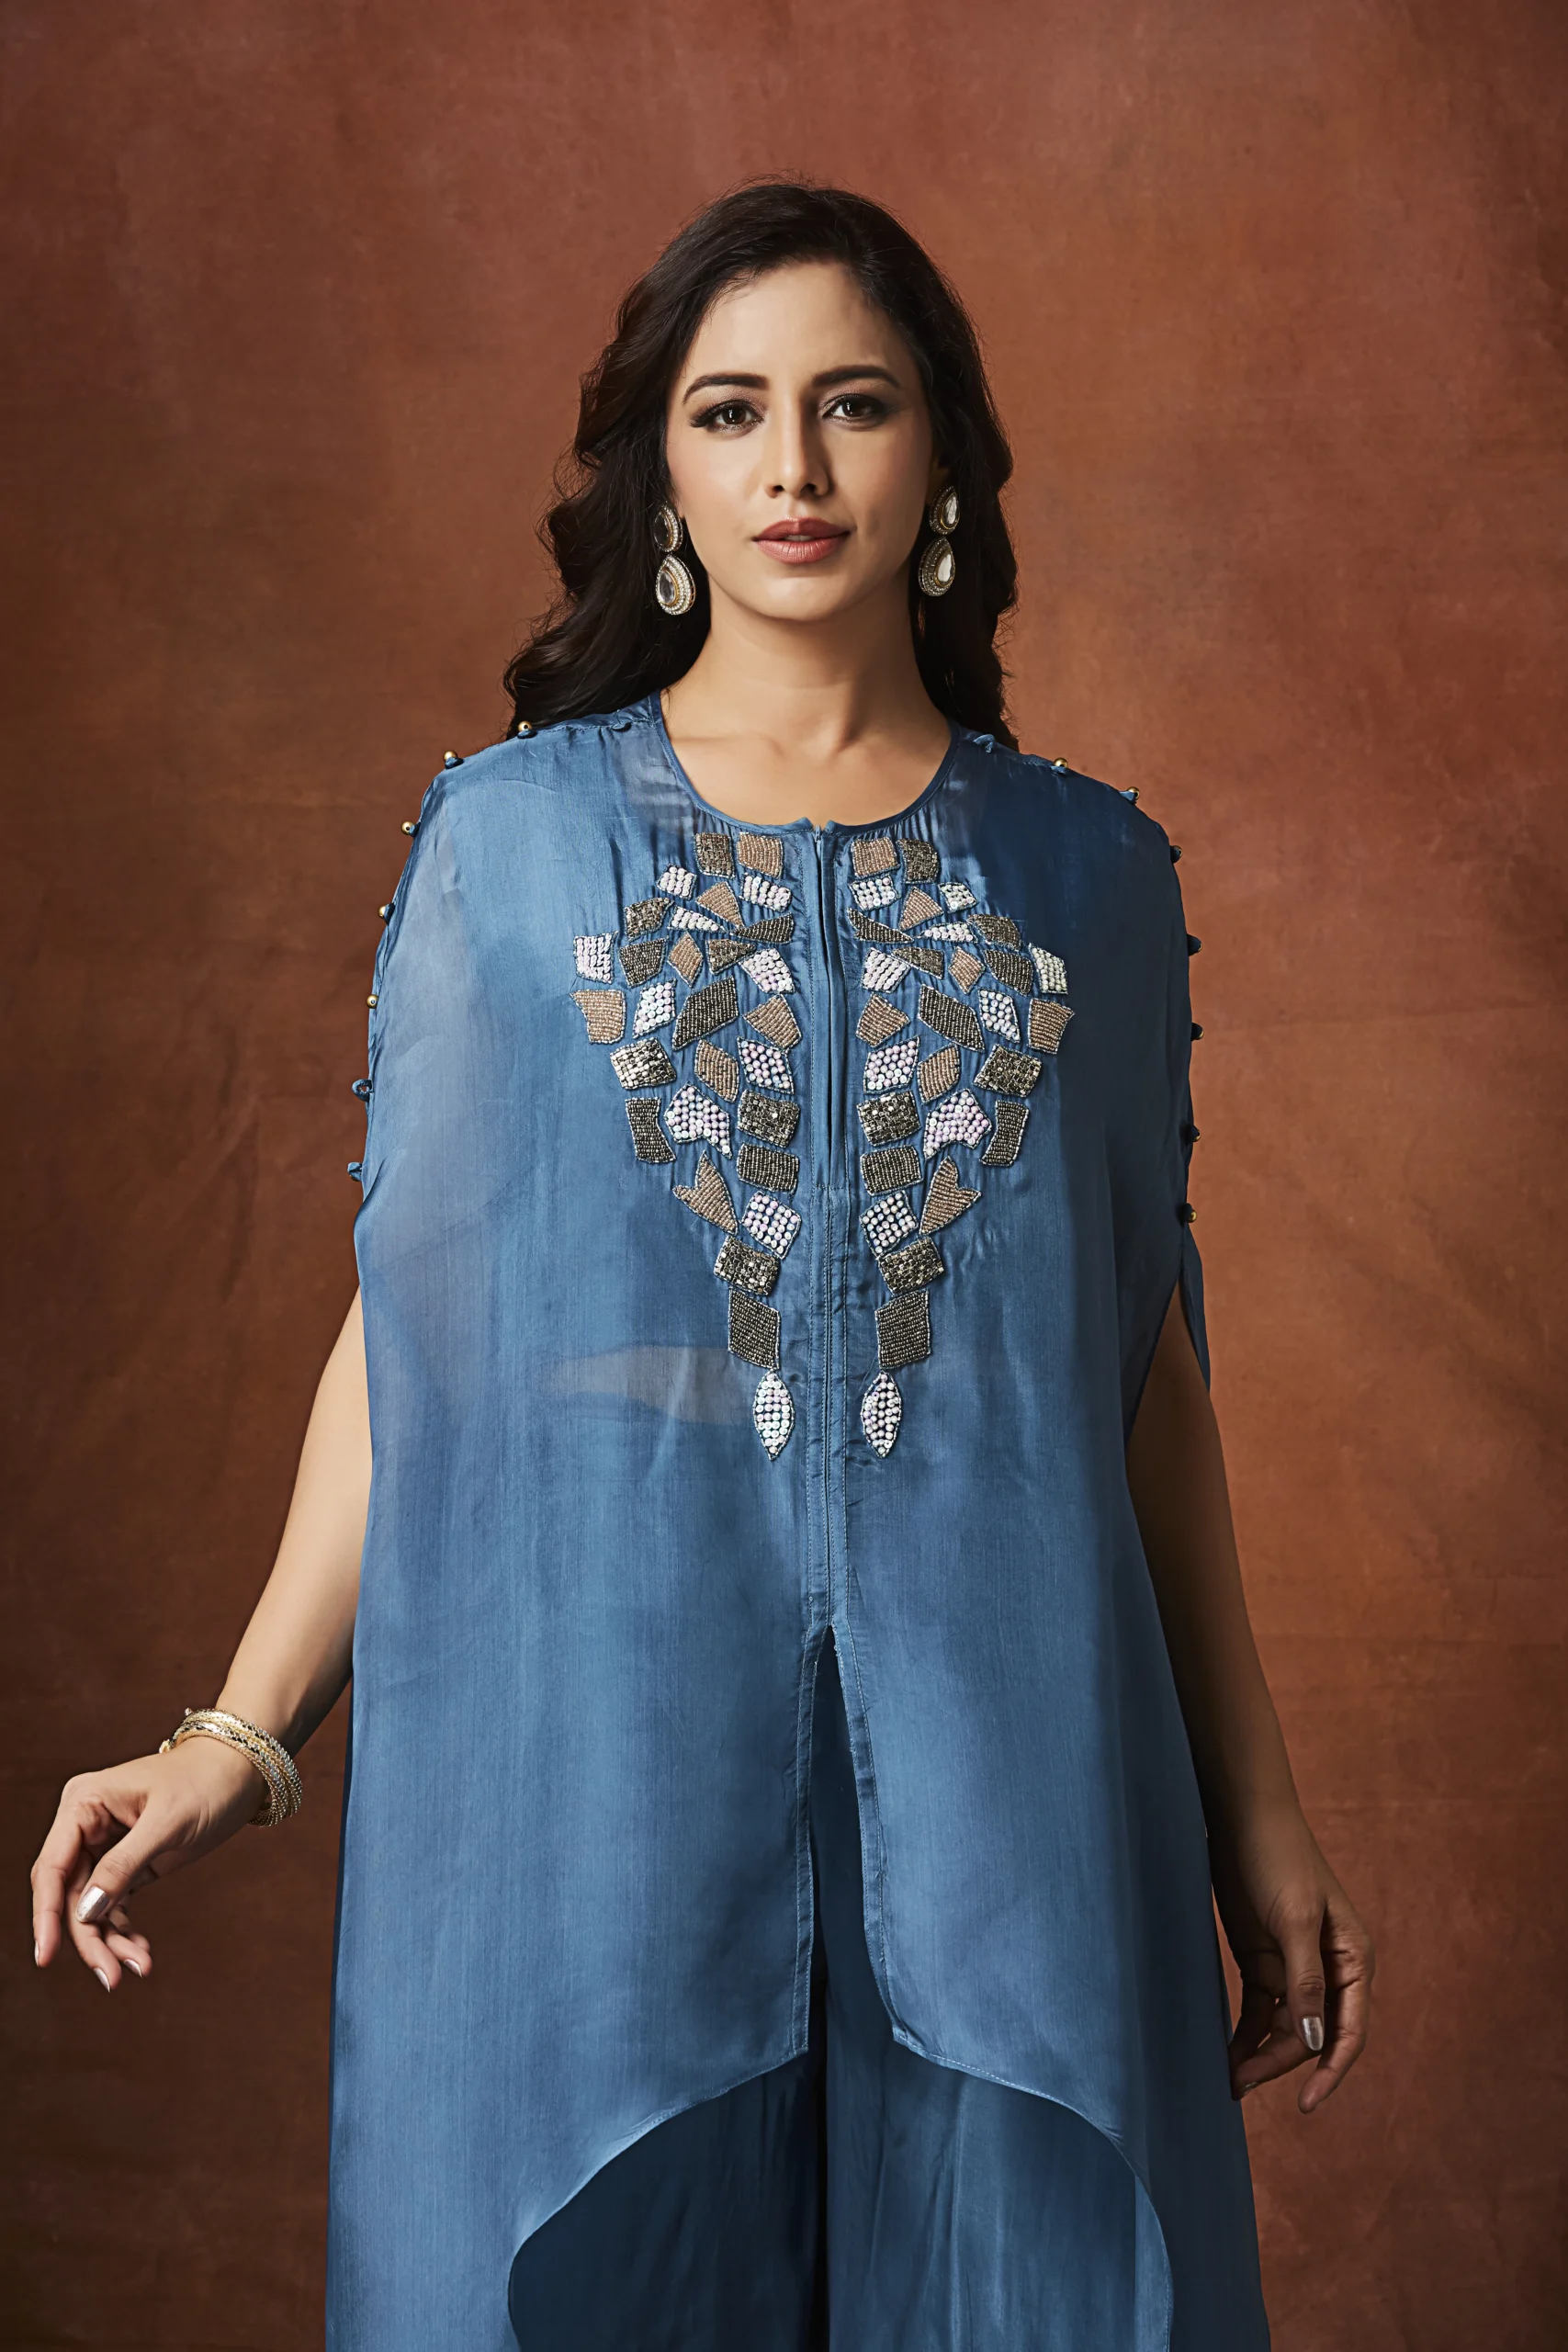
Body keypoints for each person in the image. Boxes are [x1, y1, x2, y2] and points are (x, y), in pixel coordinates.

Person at [29, 182, 1373, 2352]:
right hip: (609, 1739)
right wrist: (238, 1726)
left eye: (855, 405)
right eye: (731, 411)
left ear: (941, 460)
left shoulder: (1090, 878)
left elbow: (1136, 1374)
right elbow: (420, 1332)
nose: (794, 467)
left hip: (1020, 1753)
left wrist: (1261, 1817)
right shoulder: (511, 850)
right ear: (661, 472)